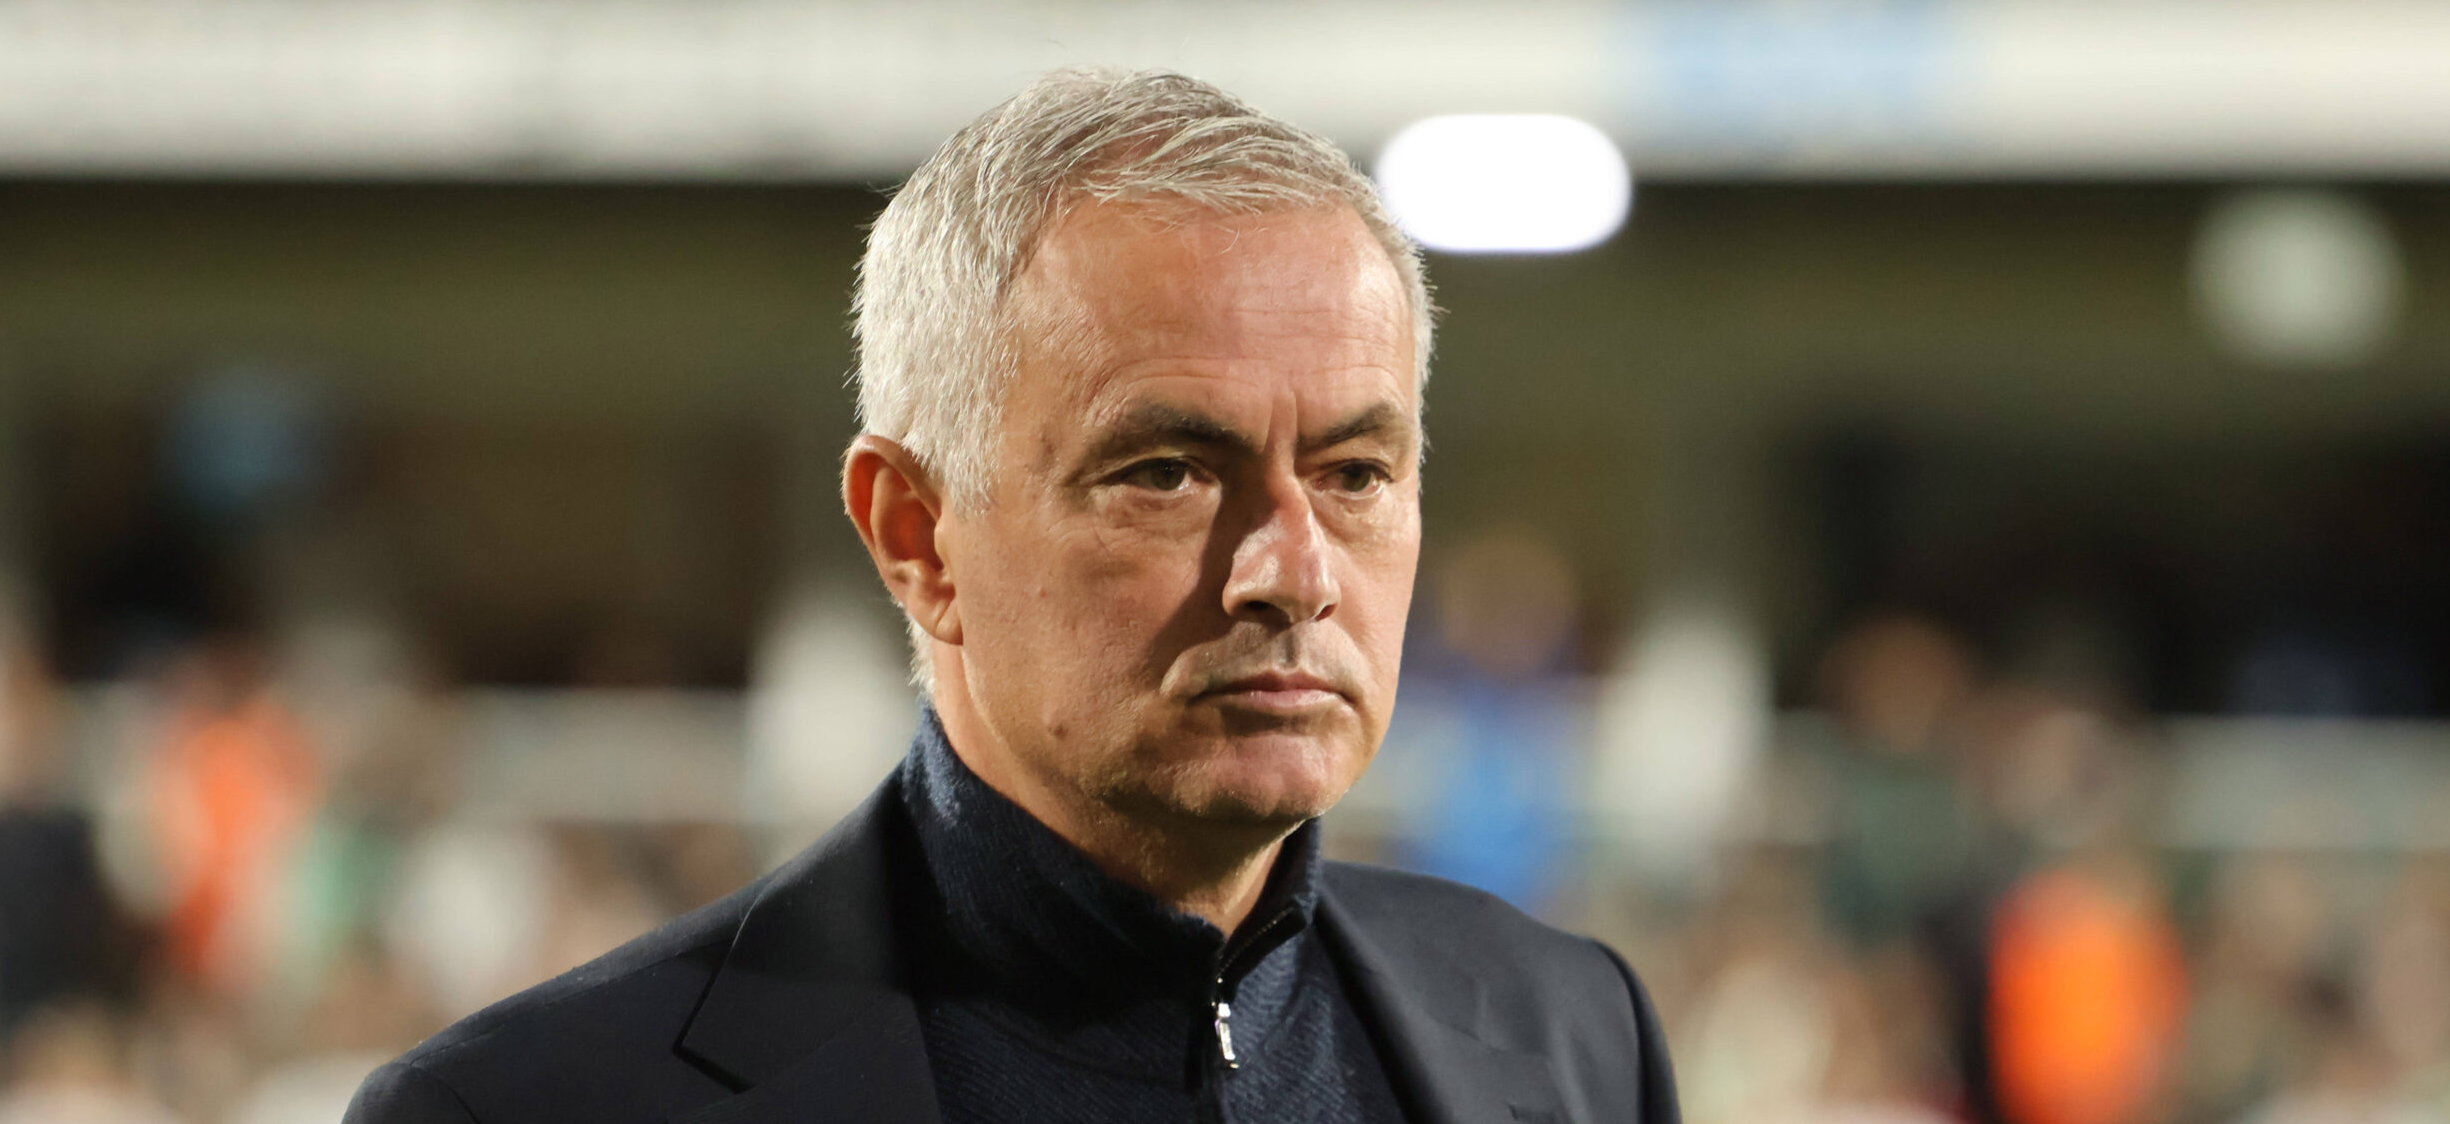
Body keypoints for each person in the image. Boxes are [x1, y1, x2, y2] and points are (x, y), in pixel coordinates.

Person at [345, 68, 1679, 1124]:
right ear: (917, 537)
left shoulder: (1575, 1032)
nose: (1293, 569)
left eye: (1355, 472)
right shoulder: (529, 1111)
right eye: (1165, 472)